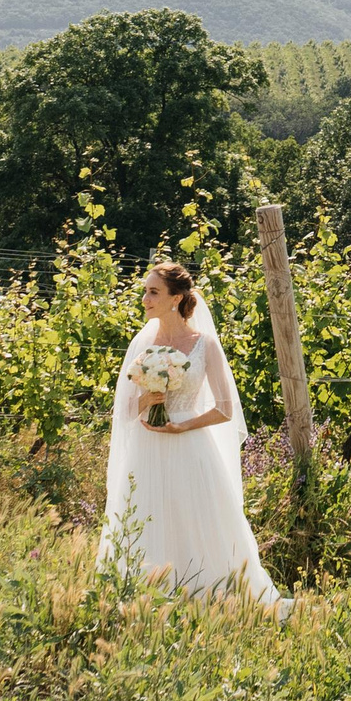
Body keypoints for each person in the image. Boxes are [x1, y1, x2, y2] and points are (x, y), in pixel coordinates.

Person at [101, 262, 291, 615]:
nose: (145, 299)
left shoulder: (204, 345)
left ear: (176, 298)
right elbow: (124, 411)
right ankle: (147, 599)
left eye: (153, 292)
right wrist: (147, 399)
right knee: (148, 516)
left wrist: (182, 426)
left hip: (189, 444)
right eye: (145, 291)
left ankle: (211, 596)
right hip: (147, 446)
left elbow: (225, 409)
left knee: (196, 519)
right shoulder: (142, 344)